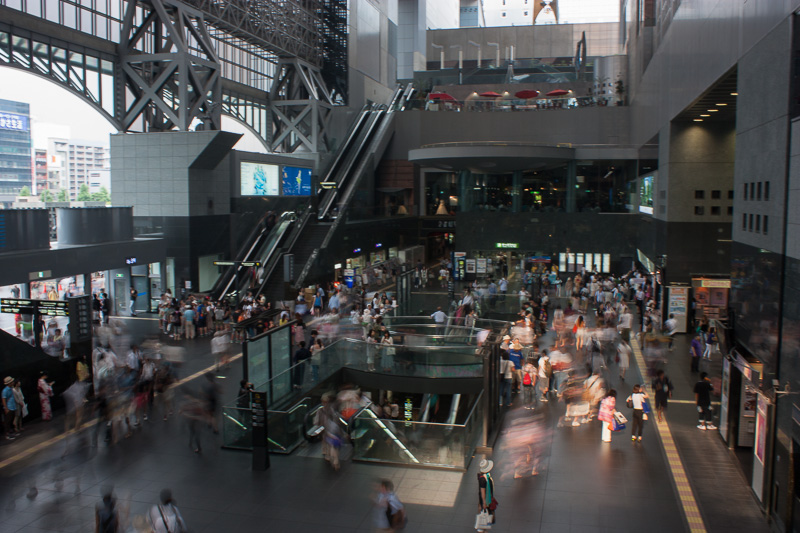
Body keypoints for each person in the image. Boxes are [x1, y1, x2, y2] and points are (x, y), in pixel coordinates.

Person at [477, 459, 496, 528]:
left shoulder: (486, 476)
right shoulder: (483, 479)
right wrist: (484, 502)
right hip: (485, 500)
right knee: (484, 513)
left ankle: (483, 527)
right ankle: (481, 528)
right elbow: (482, 491)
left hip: (487, 498)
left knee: (486, 513)